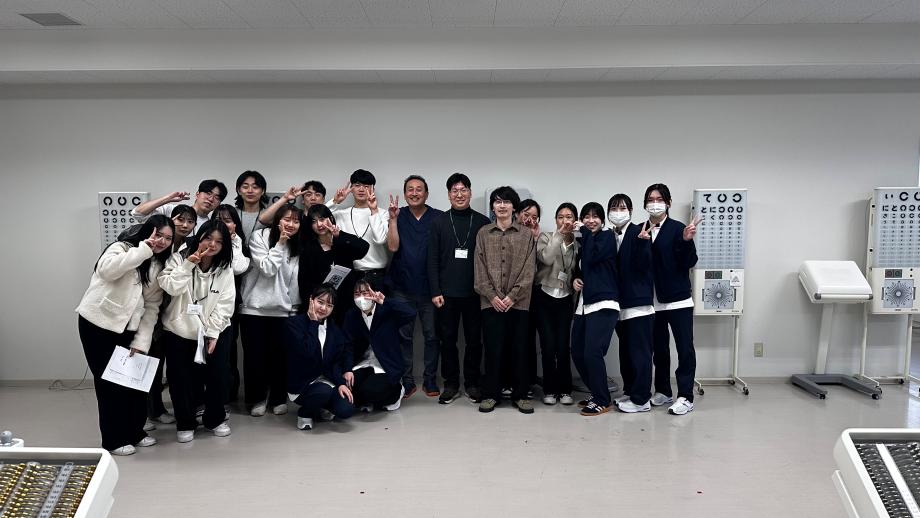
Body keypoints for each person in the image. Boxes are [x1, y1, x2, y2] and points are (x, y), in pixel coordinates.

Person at [76, 215, 174, 455]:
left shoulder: (158, 265)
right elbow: (107, 271)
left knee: (134, 383)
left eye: (168, 238)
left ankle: (135, 432)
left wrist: (142, 341)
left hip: (130, 330)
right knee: (108, 385)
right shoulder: (121, 248)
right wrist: (143, 250)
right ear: (147, 231)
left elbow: (152, 307)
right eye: (158, 235)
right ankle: (113, 440)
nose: (162, 241)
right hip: (98, 324)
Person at [158, 221, 236, 443]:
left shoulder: (225, 268)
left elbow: (225, 303)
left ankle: (215, 419)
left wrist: (212, 332)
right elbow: (170, 287)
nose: (212, 245)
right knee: (180, 379)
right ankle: (185, 422)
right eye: (208, 238)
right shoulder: (178, 259)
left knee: (218, 377)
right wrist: (189, 264)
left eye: (219, 241)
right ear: (199, 238)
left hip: (215, 330)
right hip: (179, 330)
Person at [427, 173, 490, 404]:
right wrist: (435, 291)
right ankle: (451, 383)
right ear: (449, 195)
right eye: (455, 190)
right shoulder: (439, 222)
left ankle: (472, 383)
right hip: (446, 295)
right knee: (447, 341)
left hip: (476, 293)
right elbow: (432, 259)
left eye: (464, 190)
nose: (459, 194)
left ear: (470, 193)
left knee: (474, 341)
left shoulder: (483, 222)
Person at [474, 186, 537, 414]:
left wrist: (512, 296)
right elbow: (479, 269)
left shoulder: (525, 234)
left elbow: (529, 270)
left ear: (514, 207)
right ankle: (491, 394)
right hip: (490, 303)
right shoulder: (483, 233)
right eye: (498, 201)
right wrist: (492, 296)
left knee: (520, 349)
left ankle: (521, 395)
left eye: (507, 202)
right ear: (492, 206)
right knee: (493, 350)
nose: (502, 206)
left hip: (519, 303)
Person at [239, 204, 303, 417]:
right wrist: (280, 243)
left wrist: (293, 307)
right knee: (255, 358)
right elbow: (267, 268)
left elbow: (294, 281)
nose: (291, 224)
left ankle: (278, 398)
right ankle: (256, 399)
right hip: (254, 309)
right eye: (287, 219)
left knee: (280, 358)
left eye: (296, 221)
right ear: (277, 221)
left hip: (283, 311)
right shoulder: (260, 236)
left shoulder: (297, 245)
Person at [644, 183, 700, 416]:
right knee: (659, 349)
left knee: (684, 348)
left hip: (678, 300)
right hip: (653, 301)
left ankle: (686, 396)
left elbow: (690, 262)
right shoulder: (642, 230)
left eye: (659, 199)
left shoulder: (678, 228)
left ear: (668, 203)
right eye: (650, 199)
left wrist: (686, 241)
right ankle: (663, 390)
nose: (655, 203)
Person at [386, 175, 443, 399]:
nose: (414, 193)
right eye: (410, 189)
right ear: (405, 193)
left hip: (430, 289)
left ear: (426, 194)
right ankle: (407, 380)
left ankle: (430, 379)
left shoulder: (438, 217)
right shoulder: (397, 215)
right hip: (402, 288)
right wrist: (392, 220)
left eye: (419, 189)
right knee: (404, 337)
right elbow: (392, 247)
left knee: (432, 337)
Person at [570, 202, 620, 416]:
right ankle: (597, 392)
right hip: (585, 303)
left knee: (592, 352)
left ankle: (602, 399)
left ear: (602, 220)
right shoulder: (585, 242)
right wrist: (575, 279)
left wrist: (583, 231)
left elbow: (593, 257)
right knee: (577, 351)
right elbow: (583, 268)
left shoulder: (607, 236)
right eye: (586, 217)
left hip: (604, 302)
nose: (590, 220)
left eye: (595, 216)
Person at [607, 194, 655, 413]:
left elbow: (645, 265)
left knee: (640, 353)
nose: (618, 212)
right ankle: (630, 391)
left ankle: (642, 399)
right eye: (614, 208)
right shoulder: (610, 235)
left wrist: (644, 243)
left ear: (631, 211)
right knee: (626, 352)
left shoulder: (640, 232)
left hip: (638, 304)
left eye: (622, 208)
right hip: (620, 304)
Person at [284, 284, 355, 431]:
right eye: (320, 302)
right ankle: (305, 413)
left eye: (329, 305)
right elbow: (307, 352)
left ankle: (320, 406)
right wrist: (313, 322)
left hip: (327, 381)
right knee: (323, 391)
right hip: (303, 384)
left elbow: (335, 362)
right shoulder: (293, 324)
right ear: (311, 300)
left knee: (346, 409)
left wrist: (340, 383)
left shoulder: (334, 330)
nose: (323, 308)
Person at [342, 280, 416, 412]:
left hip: (386, 365)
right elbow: (348, 345)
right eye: (357, 294)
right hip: (364, 363)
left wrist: (385, 301)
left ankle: (397, 392)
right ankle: (368, 400)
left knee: (372, 391)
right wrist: (347, 369)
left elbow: (411, 313)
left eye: (365, 293)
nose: (361, 298)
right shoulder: (352, 315)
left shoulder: (386, 310)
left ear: (373, 293)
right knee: (348, 387)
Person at [534, 202, 578, 406]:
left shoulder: (578, 244)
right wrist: (559, 235)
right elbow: (546, 258)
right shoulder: (546, 237)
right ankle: (550, 390)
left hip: (566, 298)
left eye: (569, 217)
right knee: (548, 345)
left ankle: (565, 390)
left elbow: (576, 270)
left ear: (575, 220)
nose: (564, 220)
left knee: (563, 346)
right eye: (560, 217)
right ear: (555, 220)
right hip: (544, 296)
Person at [298, 204, 370, 323]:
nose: (319, 224)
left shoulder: (341, 241)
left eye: (322, 219)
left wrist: (339, 235)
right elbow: (304, 282)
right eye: (314, 221)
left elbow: (364, 248)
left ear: (331, 219)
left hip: (346, 302)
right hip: (322, 306)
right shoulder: (309, 249)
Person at [212, 204, 253, 404]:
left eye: (227, 220)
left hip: (229, 307)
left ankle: (228, 394)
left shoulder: (240, 245)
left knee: (227, 352)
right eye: (218, 220)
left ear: (235, 224)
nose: (223, 224)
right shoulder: (204, 242)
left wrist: (234, 240)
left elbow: (237, 268)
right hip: (203, 305)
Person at [329, 169, 389, 289]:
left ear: (373, 189)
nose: (361, 189)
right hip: (348, 274)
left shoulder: (383, 214)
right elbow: (316, 218)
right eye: (357, 185)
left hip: (376, 275)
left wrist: (374, 211)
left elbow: (380, 239)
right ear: (351, 189)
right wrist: (335, 202)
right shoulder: (341, 214)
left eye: (366, 186)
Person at [514, 199, 542, 399]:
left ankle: (528, 381)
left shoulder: (538, 237)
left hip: (531, 295)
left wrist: (535, 240)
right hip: (508, 295)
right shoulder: (508, 233)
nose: (529, 219)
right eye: (526, 214)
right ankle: (508, 381)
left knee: (528, 340)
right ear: (517, 214)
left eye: (534, 216)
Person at [132, 179, 227, 231]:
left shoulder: (210, 226)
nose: (211, 199)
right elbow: (138, 213)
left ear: (219, 203)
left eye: (217, 197)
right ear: (197, 194)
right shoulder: (171, 210)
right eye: (208, 193)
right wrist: (167, 198)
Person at [233, 171, 269, 246]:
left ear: (263, 191)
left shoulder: (268, 215)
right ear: (239, 191)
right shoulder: (231, 213)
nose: (250, 191)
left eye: (255, 187)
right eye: (245, 187)